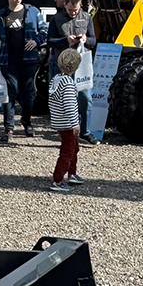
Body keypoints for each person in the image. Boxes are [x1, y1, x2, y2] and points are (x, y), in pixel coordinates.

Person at [0, 0, 46, 141]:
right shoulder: (0, 16)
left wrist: (36, 41)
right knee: (9, 94)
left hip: (29, 61)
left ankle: (27, 121)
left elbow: (44, 31)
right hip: (8, 62)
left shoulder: (32, 12)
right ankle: (8, 129)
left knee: (29, 95)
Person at [47, 0, 97, 141]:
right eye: (69, 10)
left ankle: (85, 131)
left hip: (81, 65)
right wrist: (65, 40)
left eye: (75, 10)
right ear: (65, 5)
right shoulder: (56, 19)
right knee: (64, 100)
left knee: (86, 98)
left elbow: (93, 41)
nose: (72, 13)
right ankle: (66, 132)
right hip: (61, 65)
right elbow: (49, 41)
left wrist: (84, 40)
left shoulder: (87, 18)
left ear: (80, 5)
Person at [47, 48, 86, 193]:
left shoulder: (56, 79)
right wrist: (75, 123)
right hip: (68, 124)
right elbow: (70, 105)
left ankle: (72, 173)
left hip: (59, 121)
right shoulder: (68, 83)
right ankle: (57, 180)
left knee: (73, 148)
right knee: (67, 151)